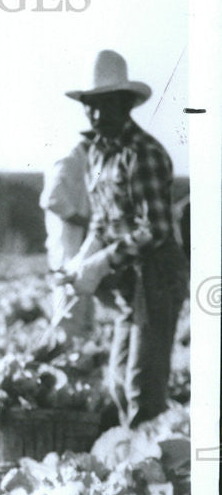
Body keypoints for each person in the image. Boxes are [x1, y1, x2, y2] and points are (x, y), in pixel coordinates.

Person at [63, 50, 188, 427]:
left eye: (106, 106)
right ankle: (136, 458)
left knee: (142, 386)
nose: (97, 115)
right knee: (118, 382)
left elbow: (156, 229)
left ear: (126, 104)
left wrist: (101, 262)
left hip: (156, 275)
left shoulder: (144, 153)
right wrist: (84, 256)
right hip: (127, 279)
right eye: (91, 107)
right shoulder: (99, 155)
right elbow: (102, 220)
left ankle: (151, 469)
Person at [39, 136, 95, 338]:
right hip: (67, 247)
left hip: (78, 248)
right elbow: (51, 198)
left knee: (83, 314)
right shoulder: (70, 160)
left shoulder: (84, 160)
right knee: (69, 314)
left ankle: (78, 362)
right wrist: (85, 222)